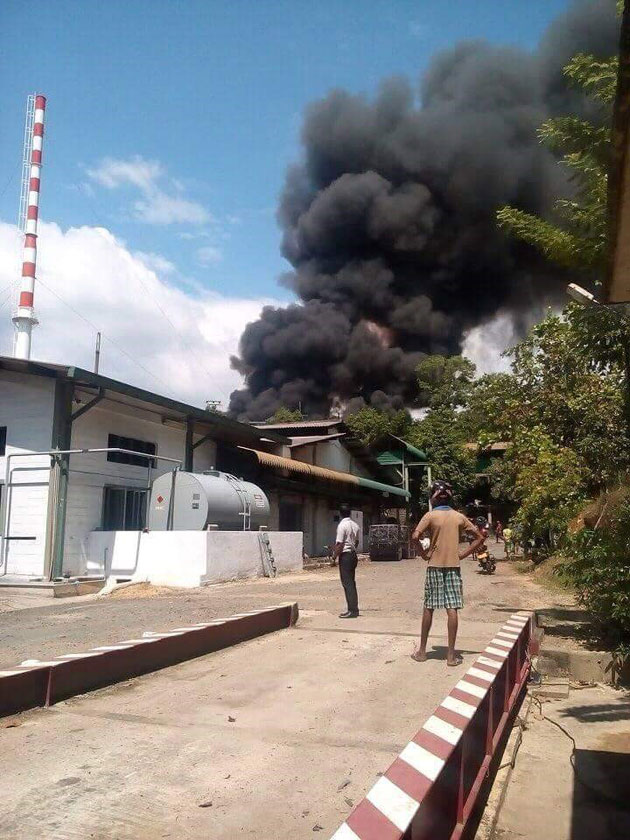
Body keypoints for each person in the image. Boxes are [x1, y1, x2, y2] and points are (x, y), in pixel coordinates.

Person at [411, 480, 484, 666]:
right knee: (452, 609)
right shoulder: (459, 517)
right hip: (453, 566)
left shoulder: (430, 516)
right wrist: (463, 554)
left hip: (434, 566)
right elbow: (479, 537)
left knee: (429, 607)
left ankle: (422, 652)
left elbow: (415, 536)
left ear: (434, 497)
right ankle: (451, 657)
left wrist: (423, 554)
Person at [333, 504, 360, 618]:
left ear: (340, 514)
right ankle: (353, 608)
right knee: (351, 583)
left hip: (345, 556)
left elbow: (339, 544)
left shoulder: (342, 525)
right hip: (353, 555)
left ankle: (352, 610)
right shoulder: (355, 525)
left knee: (347, 583)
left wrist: (334, 556)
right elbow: (357, 542)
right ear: (350, 513)